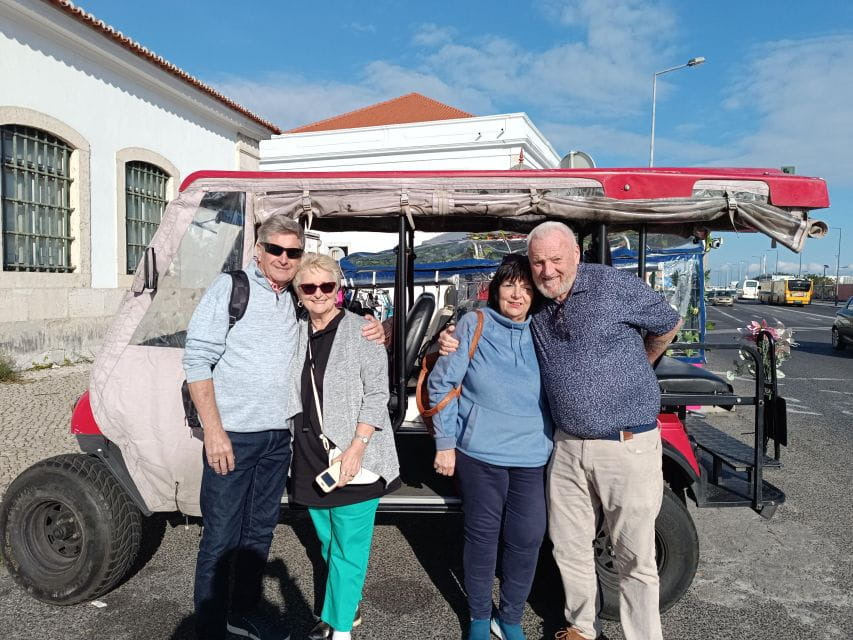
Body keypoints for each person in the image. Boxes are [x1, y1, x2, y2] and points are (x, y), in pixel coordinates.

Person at [440, 222, 681, 640]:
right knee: (569, 548)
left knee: (633, 554)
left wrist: (640, 365)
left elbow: (667, 322)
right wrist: (444, 338)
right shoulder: (539, 308)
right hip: (566, 445)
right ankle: (581, 628)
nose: (547, 270)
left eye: (555, 260)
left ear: (575, 255)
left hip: (625, 441)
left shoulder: (611, 285)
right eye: (538, 263)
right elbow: (483, 331)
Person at [183, 215, 384, 640]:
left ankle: (242, 612)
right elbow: (197, 359)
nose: (284, 258)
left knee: (258, 532)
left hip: (278, 437)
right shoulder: (232, 289)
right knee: (220, 537)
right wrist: (214, 432)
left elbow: (334, 322)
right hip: (233, 436)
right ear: (259, 251)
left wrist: (375, 327)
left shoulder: (294, 300)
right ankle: (209, 628)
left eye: (293, 252)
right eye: (276, 249)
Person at [428, 254, 553, 640]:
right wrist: (444, 444)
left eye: (526, 287)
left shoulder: (546, 330)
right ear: (495, 288)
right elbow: (442, 385)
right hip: (480, 454)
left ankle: (510, 618)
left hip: (533, 455)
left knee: (528, 538)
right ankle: (480, 617)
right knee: (482, 538)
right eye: (509, 285)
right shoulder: (473, 324)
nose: (517, 294)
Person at [287, 253, 400, 640]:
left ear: (339, 290)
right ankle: (344, 612)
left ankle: (338, 630)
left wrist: (357, 447)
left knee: (349, 548)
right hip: (309, 455)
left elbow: (377, 394)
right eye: (309, 286)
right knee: (328, 543)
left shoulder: (361, 330)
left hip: (354, 451)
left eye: (327, 286)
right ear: (298, 292)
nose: (318, 293)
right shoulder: (295, 331)